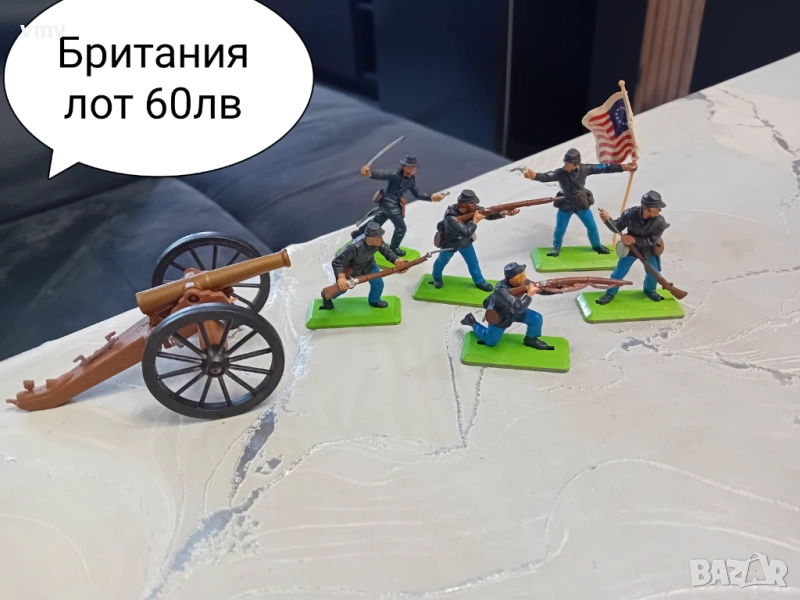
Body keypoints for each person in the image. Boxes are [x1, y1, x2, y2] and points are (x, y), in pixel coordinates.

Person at [522, 148, 636, 257]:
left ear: (575, 164)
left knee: (592, 226)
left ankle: (597, 246)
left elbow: (604, 167)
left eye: (568, 163)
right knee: (560, 229)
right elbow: (546, 176)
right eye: (565, 162)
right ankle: (556, 247)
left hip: (582, 204)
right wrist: (534, 175)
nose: (565, 165)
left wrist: (623, 167)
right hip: (566, 204)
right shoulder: (560, 173)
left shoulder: (585, 169)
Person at [351, 155, 446, 256]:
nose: (412, 169)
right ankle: (394, 248)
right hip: (389, 204)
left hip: (393, 204)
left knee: (377, 221)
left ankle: (358, 233)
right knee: (401, 228)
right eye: (409, 167)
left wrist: (431, 197)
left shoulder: (411, 181)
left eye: (413, 167)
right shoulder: (395, 175)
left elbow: (418, 194)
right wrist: (369, 173)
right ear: (403, 167)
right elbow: (382, 174)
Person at [431, 189, 518, 291]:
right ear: (465, 204)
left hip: (465, 242)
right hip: (450, 242)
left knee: (473, 262)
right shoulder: (450, 216)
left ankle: (479, 281)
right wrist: (475, 221)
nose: (475, 205)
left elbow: (488, 214)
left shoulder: (472, 209)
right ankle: (436, 277)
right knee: (441, 261)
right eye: (473, 203)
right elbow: (466, 232)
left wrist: (502, 214)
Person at [595, 190, 669, 305]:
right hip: (631, 249)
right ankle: (610, 292)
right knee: (618, 273)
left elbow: (652, 240)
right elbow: (617, 227)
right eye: (658, 208)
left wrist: (634, 239)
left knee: (654, 273)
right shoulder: (630, 214)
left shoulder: (660, 221)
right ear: (649, 209)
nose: (660, 210)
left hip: (648, 250)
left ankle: (650, 290)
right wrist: (607, 220)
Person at [460, 262, 554, 350]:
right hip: (501, 315)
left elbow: (540, 290)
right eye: (519, 278)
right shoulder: (500, 289)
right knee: (490, 341)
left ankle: (531, 339)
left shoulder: (522, 281)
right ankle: (471, 321)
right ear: (511, 279)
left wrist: (557, 288)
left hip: (515, 312)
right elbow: (518, 306)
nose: (524, 279)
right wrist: (529, 295)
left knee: (536, 318)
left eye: (523, 275)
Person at [321, 222, 408, 309]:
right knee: (342, 288)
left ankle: (374, 300)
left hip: (370, 265)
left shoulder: (378, 242)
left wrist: (396, 260)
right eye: (378, 237)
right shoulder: (354, 247)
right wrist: (341, 278)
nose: (381, 239)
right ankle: (327, 296)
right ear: (370, 239)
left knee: (378, 284)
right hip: (353, 270)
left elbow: (387, 251)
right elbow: (337, 262)